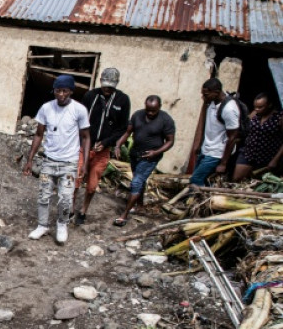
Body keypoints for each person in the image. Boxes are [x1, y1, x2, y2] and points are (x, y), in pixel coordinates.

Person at [23, 74, 90, 245]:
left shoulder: (79, 110)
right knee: (43, 195)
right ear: (53, 91)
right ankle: (42, 225)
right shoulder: (46, 108)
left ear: (71, 92)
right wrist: (30, 159)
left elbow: (86, 137)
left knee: (66, 198)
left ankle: (62, 225)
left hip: (69, 163)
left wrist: (85, 162)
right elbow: (39, 134)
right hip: (49, 162)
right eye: (57, 91)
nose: (61, 94)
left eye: (65, 91)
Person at [73, 68, 130, 225]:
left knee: (92, 186)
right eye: (105, 86)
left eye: (110, 87)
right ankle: (70, 209)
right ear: (100, 82)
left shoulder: (122, 100)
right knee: (75, 180)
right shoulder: (91, 96)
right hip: (83, 147)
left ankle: (83, 210)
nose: (107, 89)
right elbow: (80, 119)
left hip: (102, 150)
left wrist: (106, 142)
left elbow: (122, 128)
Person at [112, 95, 175, 226]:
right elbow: (127, 133)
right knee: (139, 180)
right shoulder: (137, 115)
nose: (150, 113)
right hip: (135, 154)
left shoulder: (166, 120)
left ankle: (124, 215)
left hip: (150, 157)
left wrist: (156, 152)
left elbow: (170, 141)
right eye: (148, 110)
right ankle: (140, 206)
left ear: (159, 107)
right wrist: (118, 145)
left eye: (154, 111)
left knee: (136, 182)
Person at [189, 78, 240, 187]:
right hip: (207, 149)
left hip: (217, 153)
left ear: (216, 92)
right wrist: (200, 144)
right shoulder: (211, 102)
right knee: (203, 179)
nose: (203, 97)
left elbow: (232, 137)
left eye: (206, 95)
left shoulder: (229, 109)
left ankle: (204, 202)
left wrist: (223, 163)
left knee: (196, 179)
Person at [232, 93, 283, 181]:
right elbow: (245, 129)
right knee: (237, 179)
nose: (257, 109)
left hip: (266, 157)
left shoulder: (279, 118)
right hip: (248, 154)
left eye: (260, 107)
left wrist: (275, 160)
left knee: (259, 183)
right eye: (255, 107)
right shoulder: (254, 115)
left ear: (269, 105)